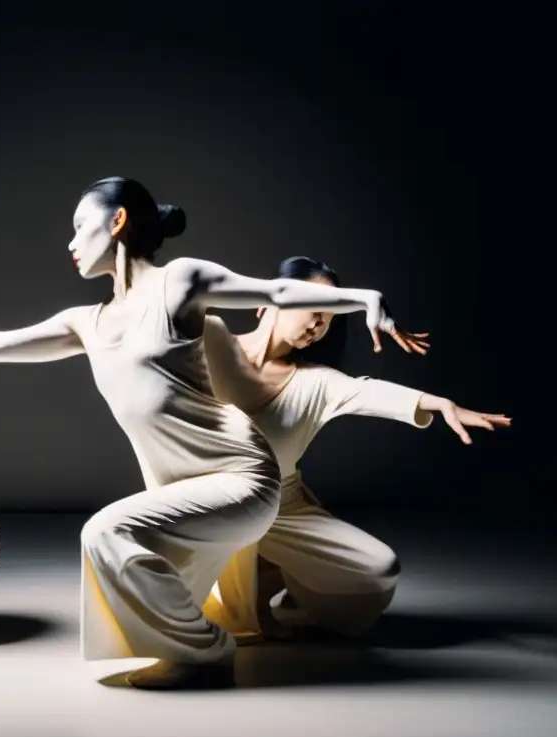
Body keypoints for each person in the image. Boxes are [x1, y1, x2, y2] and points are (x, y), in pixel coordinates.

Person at [0, 177, 427, 689]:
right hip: (181, 488)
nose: (70, 242)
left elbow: (273, 291)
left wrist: (363, 299)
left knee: (105, 532)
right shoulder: (86, 323)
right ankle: (187, 645)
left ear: (118, 221)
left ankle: (202, 652)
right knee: (122, 544)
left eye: (79, 226)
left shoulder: (178, 284)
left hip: (241, 476)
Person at [200, 256, 510, 641]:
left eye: (330, 318)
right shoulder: (210, 342)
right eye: (316, 308)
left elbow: (368, 390)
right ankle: (250, 586)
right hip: (216, 502)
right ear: (273, 297)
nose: (320, 324)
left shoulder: (317, 381)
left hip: (282, 506)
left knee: (379, 570)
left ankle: (275, 578)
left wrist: (443, 403)